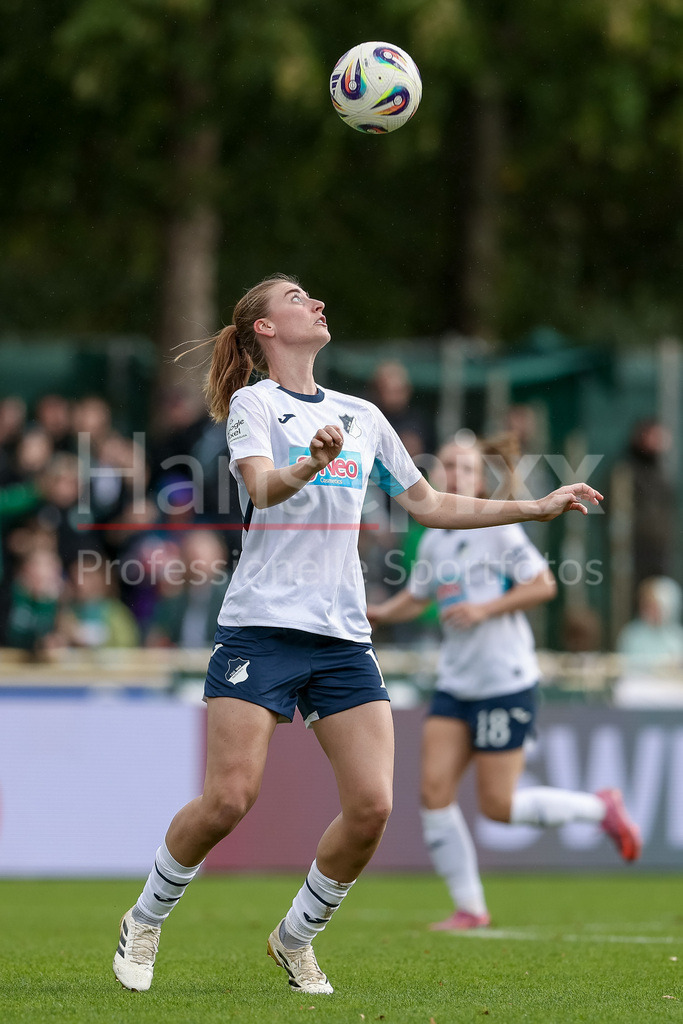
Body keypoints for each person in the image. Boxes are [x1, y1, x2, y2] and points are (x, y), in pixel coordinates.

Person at [112, 274, 603, 996]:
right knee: (227, 800)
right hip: (260, 630)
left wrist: (531, 507)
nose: (315, 303)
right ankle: (145, 917)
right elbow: (261, 487)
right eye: (296, 298)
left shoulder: (362, 415)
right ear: (265, 330)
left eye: (313, 295)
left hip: (342, 638)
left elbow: (428, 503)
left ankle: (295, 938)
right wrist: (308, 462)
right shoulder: (255, 403)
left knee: (372, 808)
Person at [367, 436, 641, 932]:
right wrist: (379, 613)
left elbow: (543, 585)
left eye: (466, 468)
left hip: (503, 680)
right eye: (448, 465)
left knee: (499, 806)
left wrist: (485, 609)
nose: (455, 474)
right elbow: (418, 595)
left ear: (480, 478)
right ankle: (470, 907)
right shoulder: (434, 536)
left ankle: (600, 808)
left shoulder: (499, 530)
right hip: (456, 680)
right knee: (432, 791)